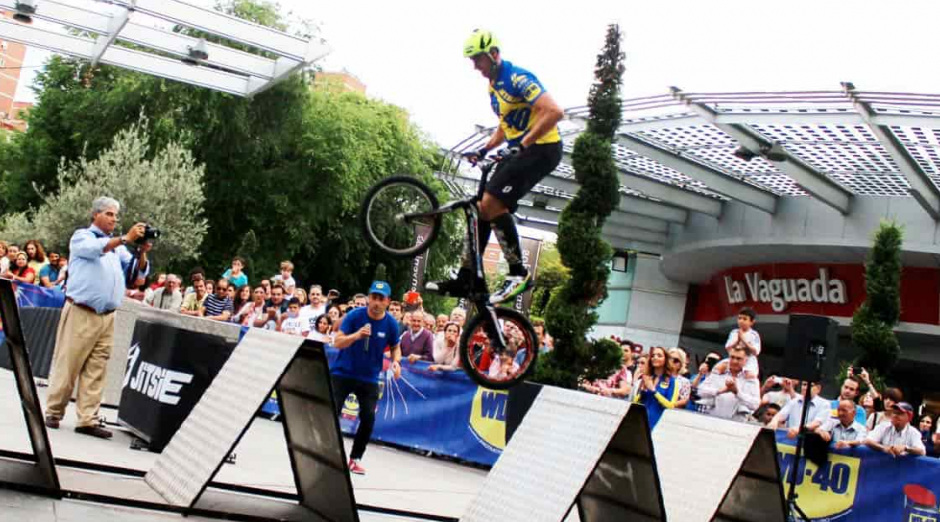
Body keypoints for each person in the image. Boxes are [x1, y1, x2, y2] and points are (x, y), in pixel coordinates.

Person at [427, 29, 563, 305]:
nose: (475, 66)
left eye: (478, 59)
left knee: (491, 203)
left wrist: (522, 144)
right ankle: (467, 277)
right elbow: (506, 125)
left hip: (543, 149)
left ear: (494, 54)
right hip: (521, 150)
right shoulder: (493, 87)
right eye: (473, 60)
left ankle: (518, 273)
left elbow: (554, 112)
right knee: (480, 209)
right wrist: (484, 149)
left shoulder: (518, 78)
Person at [44, 196, 150, 439]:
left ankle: (87, 419)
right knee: (69, 362)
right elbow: (95, 250)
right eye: (109, 214)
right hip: (82, 311)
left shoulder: (118, 248)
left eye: (116, 215)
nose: (114, 219)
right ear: (96, 215)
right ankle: (54, 411)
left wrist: (142, 252)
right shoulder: (82, 237)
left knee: (97, 367)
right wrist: (124, 238)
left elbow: (138, 276)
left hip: (107, 316)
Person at [330, 281, 401, 475]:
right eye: (373, 297)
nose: (376, 302)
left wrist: (396, 362)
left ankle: (355, 459)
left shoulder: (391, 324)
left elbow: (396, 347)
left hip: (369, 377)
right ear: (369, 298)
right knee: (331, 412)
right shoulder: (354, 316)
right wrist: (356, 335)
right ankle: (329, 452)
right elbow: (337, 342)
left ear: (387, 301)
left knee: (369, 418)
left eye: (381, 299)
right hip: (343, 373)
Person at [697, 345, 760, 422]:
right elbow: (700, 391)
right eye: (732, 357)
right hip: (712, 420)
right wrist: (720, 391)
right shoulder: (718, 372)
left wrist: (737, 393)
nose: (734, 361)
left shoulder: (750, 379)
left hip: (737, 424)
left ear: (746, 360)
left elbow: (755, 405)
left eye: (739, 358)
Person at [634, 346, 679, 427]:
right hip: (639, 420)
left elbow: (670, 405)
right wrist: (642, 391)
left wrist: (654, 391)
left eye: (659, 355)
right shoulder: (646, 377)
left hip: (658, 423)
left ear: (666, 359)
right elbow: (635, 402)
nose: (655, 357)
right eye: (653, 355)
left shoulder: (673, 382)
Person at [724, 307, 761, 378]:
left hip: (749, 362)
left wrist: (744, 340)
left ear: (752, 322)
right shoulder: (734, 332)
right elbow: (728, 348)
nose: (741, 321)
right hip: (734, 360)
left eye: (744, 319)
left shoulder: (754, 334)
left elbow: (756, 352)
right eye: (739, 318)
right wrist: (737, 340)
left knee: (749, 376)